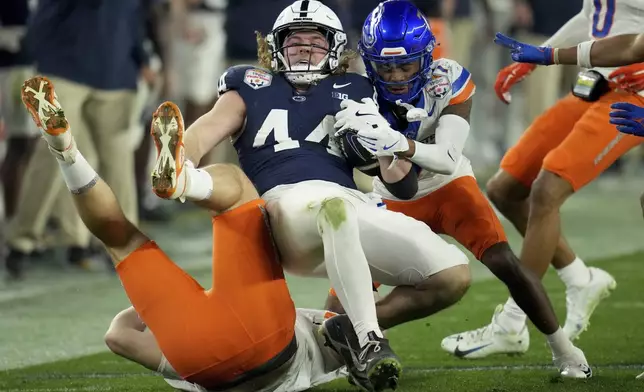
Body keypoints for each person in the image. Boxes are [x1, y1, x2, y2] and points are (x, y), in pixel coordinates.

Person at [151, 1, 475, 390]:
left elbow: (399, 183)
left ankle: (337, 331)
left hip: (353, 202)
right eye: (295, 42)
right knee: (331, 208)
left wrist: (384, 140)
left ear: (335, 49)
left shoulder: (356, 89)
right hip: (285, 207)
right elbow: (206, 131)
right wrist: (179, 151)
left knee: (452, 275)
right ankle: (369, 341)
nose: (305, 48)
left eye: (315, 42)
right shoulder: (250, 84)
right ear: (275, 48)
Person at [20, 76, 368, 392]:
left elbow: (343, 323)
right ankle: (68, 156)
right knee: (120, 240)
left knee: (236, 191)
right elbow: (118, 337)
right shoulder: (179, 367)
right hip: (197, 360)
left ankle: (174, 178)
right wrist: (157, 308)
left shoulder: (324, 355)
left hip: (271, 336)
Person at [324, 0, 592, 378]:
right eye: (386, 67)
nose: (398, 75)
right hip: (389, 196)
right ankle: (337, 351)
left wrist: (397, 142)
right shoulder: (355, 91)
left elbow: (448, 158)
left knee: (505, 263)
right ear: (370, 62)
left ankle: (565, 349)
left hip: (449, 186)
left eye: (406, 64)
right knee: (340, 298)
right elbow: (401, 186)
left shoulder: (446, 78)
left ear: (427, 56)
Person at [455, 0, 631, 348]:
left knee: (547, 190)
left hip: (633, 96)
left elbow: (632, 43)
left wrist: (550, 56)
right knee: (506, 187)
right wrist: (539, 55)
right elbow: (593, 17)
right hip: (594, 83)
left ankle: (513, 321)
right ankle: (580, 278)